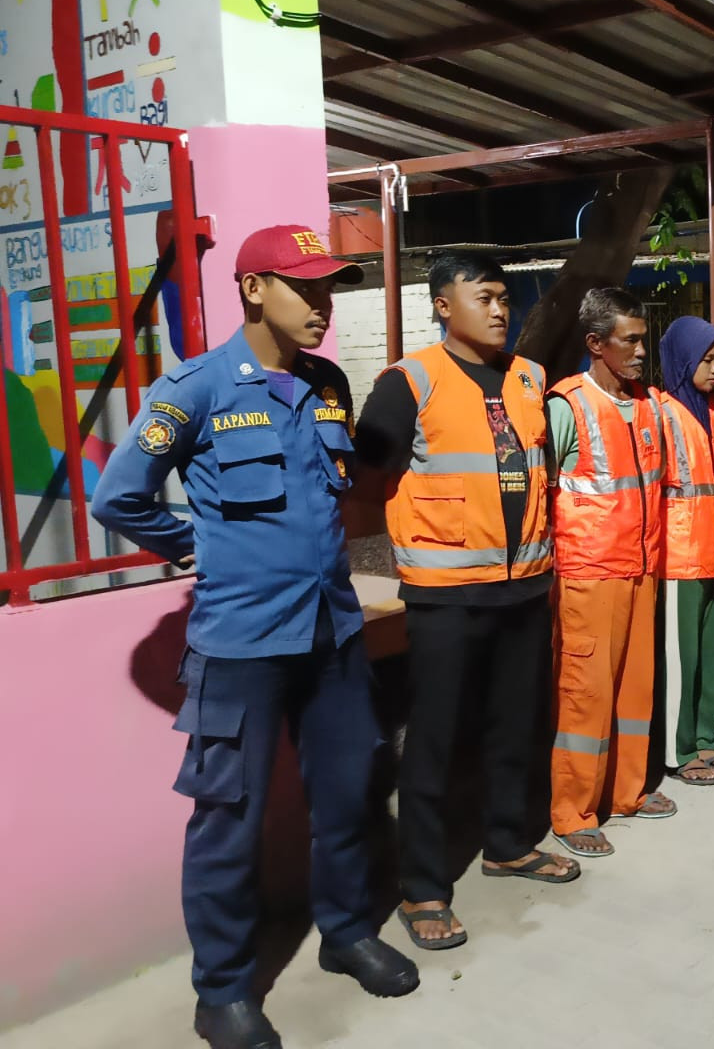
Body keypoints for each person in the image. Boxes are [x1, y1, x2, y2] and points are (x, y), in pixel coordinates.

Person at [92, 225, 417, 1049]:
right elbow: (118, 496)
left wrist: (377, 607)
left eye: (329, 288)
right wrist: (191, 547)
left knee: (349, 793)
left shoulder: (329, 384)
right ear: (252, 289)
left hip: (334, 632)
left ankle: (345, 934)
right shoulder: (197, 388)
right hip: (240, 643)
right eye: (304, 287)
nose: (322, 305)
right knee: (227, 819)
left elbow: (351, 509)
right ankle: (224, 990)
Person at [353, 254, 578, 953]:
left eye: (505, 297)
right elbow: (365, 478)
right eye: (483, 297)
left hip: (525, 586)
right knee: (436, 740)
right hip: (446, 594)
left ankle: (508, 842)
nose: (501, 309)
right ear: (444, 305)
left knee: (516, 727)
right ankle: (422, 887)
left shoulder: (529, 379)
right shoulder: (408, 381)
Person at [545, 287, 678, 857]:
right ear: (596, 344)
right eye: (632, 340)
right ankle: (573, 812)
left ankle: (627, 792)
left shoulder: (647, 404)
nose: (642, 351)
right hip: (589, 577)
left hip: (640, 569)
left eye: (644, 339)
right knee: (585, 698)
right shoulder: (566, 406)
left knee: (634, 691)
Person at [657, 317, 714, 784]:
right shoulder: (663, 412)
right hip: (680, 559)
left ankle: (711, 741)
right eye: (706, 361)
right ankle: (680, 749)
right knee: (682, 660)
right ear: (684, 360)